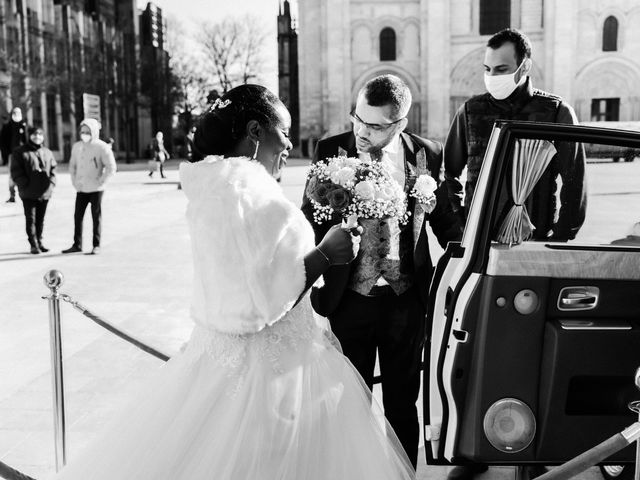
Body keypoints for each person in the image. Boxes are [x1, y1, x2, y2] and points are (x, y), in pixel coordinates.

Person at [48, 84, 416, 480]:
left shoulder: (215, 189)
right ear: (256, 132)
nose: (290, 144)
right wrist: (327, 254)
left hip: (221, 358)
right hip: (268, 374)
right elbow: (261, 306)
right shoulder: (249, 196)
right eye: (284, 132)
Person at [301, 74, 462, 468]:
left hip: (405, 303)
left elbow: (444, 222)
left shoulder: (427, 154)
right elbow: (308, 224)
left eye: (374, 126)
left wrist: (476, 252)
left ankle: (404, 473)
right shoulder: (330, 149)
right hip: (348, 299)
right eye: (358, 118)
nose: (361, 131)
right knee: (346, 402)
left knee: (403, 404)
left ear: (400, 124)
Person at [445, 28, 587, 242]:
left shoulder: (557, 111)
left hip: (536, 239)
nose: (492, 77)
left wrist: (561, 236)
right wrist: (462, 223)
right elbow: (448, 173)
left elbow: (575, 180)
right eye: (487, 69)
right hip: (479, 242)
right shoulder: (469, 111)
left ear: (524, 66)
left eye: (501, 69)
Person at [62, 118, 116, 255]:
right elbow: (72, 166)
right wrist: (74, 181)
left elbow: (111, 167)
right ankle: (77, 244)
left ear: (94, 132)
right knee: (78, 216)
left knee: (95, 217)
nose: (85, 134)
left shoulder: (102, 147)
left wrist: (102, 180)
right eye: (83, 131)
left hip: (96, 189)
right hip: (81, 187)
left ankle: (96, 245)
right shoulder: (77, 147)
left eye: (88, 131)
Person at [10, 126, 56, 254]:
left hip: (45, 192)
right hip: (28, 193)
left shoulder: (47, 152)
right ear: (29, 135)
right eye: (34, 134)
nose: (37, 137)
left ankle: (40, 241)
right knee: (31, 219)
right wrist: (25, 185)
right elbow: (16, 172)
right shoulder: (20, 152)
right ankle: (33, 243)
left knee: (41, 219)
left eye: (40, 134)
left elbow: (53, 169)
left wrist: (51, 184)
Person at [0, 107, 28, 202]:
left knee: (25, 173)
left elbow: (27, 140)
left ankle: (24, 194)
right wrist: (5, 156)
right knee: (12, 175)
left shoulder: (24, 125)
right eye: (15, 112)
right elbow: (3, 142)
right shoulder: (7, 126)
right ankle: (12, 195)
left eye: (18, 112)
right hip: (12, 155)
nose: (17, 114)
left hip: (24, 155)